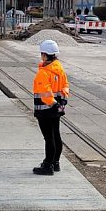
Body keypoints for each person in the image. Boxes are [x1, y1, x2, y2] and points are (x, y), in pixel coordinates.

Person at [31, 40, 69, 176]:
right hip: (57, 108)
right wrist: (62, 102)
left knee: (49, 138)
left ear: (45, 55)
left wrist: (53, 105)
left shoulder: (44, 73)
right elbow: (65, 87)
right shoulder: (59, 70)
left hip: (46, 110)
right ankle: (55, 163)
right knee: (56, 135)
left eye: (42, 54)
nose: (41, 56)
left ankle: (48, 165)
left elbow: (44, 94)